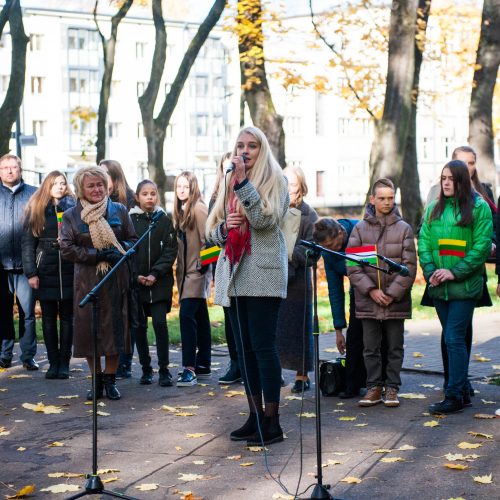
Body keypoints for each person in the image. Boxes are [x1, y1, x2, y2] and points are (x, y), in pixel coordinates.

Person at [206, 126, 289, 445]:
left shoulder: (275, 179)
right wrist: (225, 228)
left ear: (262, 149)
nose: (245, 150)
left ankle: (272, 421)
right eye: (240, 145)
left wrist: (242, 184)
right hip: (234, 274)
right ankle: (255, 416)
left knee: (263, 348)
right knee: (244, 352)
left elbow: (267, 221)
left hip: (263, 274)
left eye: (252, 146)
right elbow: (211, 231)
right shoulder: (228, 182)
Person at [419, 160, 492, 414]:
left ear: (462, 180)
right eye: (443, 178)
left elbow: (481, 247)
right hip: (439, 287)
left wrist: (453, 272)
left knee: (453, 338)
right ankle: (460, 391)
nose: (446, 182)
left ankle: (454, 395)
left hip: (465, 286)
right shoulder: (432, 209)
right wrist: (430, 272)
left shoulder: (479, 207)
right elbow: (424, 243)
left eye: (451, 178)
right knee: (454, 338)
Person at [60, 166, 137, 400]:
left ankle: (110, 381)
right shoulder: (71, 215)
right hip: (87, 282)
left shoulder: (119, 210)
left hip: (115, 279)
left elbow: (133, 239)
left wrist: (121, 250)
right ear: (81, 189)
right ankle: (96, 383)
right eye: (91, 185)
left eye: (100, 184)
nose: (96, 189)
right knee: (89, 332)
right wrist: (97, 255)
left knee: (115, 330)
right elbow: (66, 247)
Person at [347, 178, 416, 408]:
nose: (387, 203)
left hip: (395, 301)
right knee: (370, 347)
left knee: (395, 346)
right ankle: (374, 387)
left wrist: (393, 292)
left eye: (390, 198)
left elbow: (409, 267)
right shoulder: (360, 229)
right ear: (372, 200)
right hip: (369, 301)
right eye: (382, 198)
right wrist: (372, 290)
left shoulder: (404, 229)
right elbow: (354, 267)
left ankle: (392, 388)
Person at [21, 171, 76, 379]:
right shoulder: (36, 209)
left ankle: (64, 362)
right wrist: (31, 272)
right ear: (47, 186)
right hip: (45, 268)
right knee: (49, 317)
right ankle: (53, 362)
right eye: (55, 184)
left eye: (63, 183)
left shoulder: (74, 207)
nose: (60, 187)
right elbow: (27, 244)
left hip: (69, 267)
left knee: (68, 318)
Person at [129, 180, 177, 386]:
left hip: (159, 283)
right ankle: (146, 369)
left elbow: (170, 250)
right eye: (145, 194)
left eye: (153, 193)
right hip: (137, 283)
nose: (149, 197)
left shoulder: (164, 221)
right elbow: (125, 251)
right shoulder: (130, 221)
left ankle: (164, 369)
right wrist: (137, 275)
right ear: (137, 197)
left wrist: (155, 273)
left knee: (159, 323)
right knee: (139, 326)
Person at [313, 217, 368, 398]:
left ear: (341, 233)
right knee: (354, 337)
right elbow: (335, 290)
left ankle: (380, 381)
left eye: (331, 244)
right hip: (356, 290)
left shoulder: (358, 232)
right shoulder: (329, 253)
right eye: (325, 247)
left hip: (373, 283)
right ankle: (353, 384)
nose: (328, 250)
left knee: (374, 336)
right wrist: (338, 330)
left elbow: (367, 270)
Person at [275, 165, 318, 393]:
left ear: (301, 186)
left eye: (292, 184)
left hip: (299, 282)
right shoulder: (276, 210)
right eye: (285, 183)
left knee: (300, 329)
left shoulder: (309, 214)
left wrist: (292, 257)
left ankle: (302, 375)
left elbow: (313, 247)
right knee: (277, 328)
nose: (289, 188)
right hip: (276, 279)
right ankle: (277, 371)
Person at [173, 171, 212, 387]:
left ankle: (189, 368)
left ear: (193, 188)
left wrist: (202, 266)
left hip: (195, 273)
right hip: (186, 274)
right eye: (178, 186)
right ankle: (204, 364)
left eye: (185, 187)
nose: (181, 190)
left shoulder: (198, 208)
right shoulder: (183, 210)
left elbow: (211, 241)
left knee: (186, 317)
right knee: (200, 317)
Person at [99, 159, 137, 379]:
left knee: (126, 315)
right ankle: (110, 364)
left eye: (105, 174)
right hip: (104, 266)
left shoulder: (128, 201)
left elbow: (132, 236)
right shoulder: (96, 201)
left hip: (126, 265)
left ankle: (125, 362)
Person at [0, 154, 38, 370]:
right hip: (1, 266)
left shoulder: (33, 194)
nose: (9, 171)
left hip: (26, 266)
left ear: (20, 169)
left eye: (13, 167)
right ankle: (4, 354)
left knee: (28, 314)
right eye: (5, 168)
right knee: (2, 312)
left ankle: (28, 356)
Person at [209, 152, 242, 385]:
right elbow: (209, 235)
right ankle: (235, 363)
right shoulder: (216, 198)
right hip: (226, 263)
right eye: (225, 167)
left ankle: (255, 365)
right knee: (230, 320)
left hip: (248, 262)